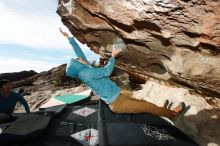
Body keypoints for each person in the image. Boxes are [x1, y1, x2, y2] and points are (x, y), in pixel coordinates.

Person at [59, 28, 185, 119]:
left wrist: (69, 38)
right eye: (77, 60)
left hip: (118, 96)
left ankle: (161, 111)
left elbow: (79, 54)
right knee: (145, 107)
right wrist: (113, 57)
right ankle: (172, 114)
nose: (80, 59)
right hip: (118, 103)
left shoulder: (83, 69)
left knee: (143, 104)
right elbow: (107, 71)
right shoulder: (86, 73)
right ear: (78, 66)